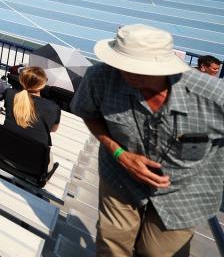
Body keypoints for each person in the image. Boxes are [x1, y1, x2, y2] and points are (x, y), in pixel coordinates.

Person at [70, 24, 224, 257]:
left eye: (138, 67)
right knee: (112, 246)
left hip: (185, 190)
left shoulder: (211, 95)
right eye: (123, 64)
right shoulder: (101, 78)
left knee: (158, 253)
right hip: (120, 175)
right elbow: (88, 113)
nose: (127, 72)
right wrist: (119, 153)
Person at [3, 66, 60, 147]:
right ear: (43, 84)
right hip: (34, 157)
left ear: (21, 80)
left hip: (3, 148)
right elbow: (53, 129)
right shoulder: (53, 108)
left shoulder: (10, 94)